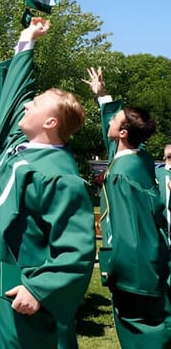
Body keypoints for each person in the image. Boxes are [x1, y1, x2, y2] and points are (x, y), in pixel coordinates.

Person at [0, 17, 95, 348]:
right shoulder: (15, 149)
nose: (26, 105)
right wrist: (27, 38)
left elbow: (77, 249)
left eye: (36, 103)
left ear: (50, 121)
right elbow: (17, 95)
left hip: (18, 292)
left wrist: (39, 288)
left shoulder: (59, 175)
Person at [84, 66, 171, 347]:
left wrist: (117, 271)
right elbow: (119, 149)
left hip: (137, 275)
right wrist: (103, 97)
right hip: (155, 262)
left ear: (122, 132)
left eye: (116, 121)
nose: (109, 124)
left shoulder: (122, 175)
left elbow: (129, 228)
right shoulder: (140, 159)